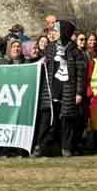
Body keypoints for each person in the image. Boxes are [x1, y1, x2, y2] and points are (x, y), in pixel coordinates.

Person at [36, 21, 86, 158]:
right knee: (46, 119)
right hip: (52, 88)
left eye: (57, 30)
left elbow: (81, 74)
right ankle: (40, 146)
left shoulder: (75, 51)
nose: (54, 32)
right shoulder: (50, 48)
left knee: (67, 120)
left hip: (68, 89)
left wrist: (79, 93)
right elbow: (45, 64)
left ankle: (66, 148)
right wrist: (43, 62)